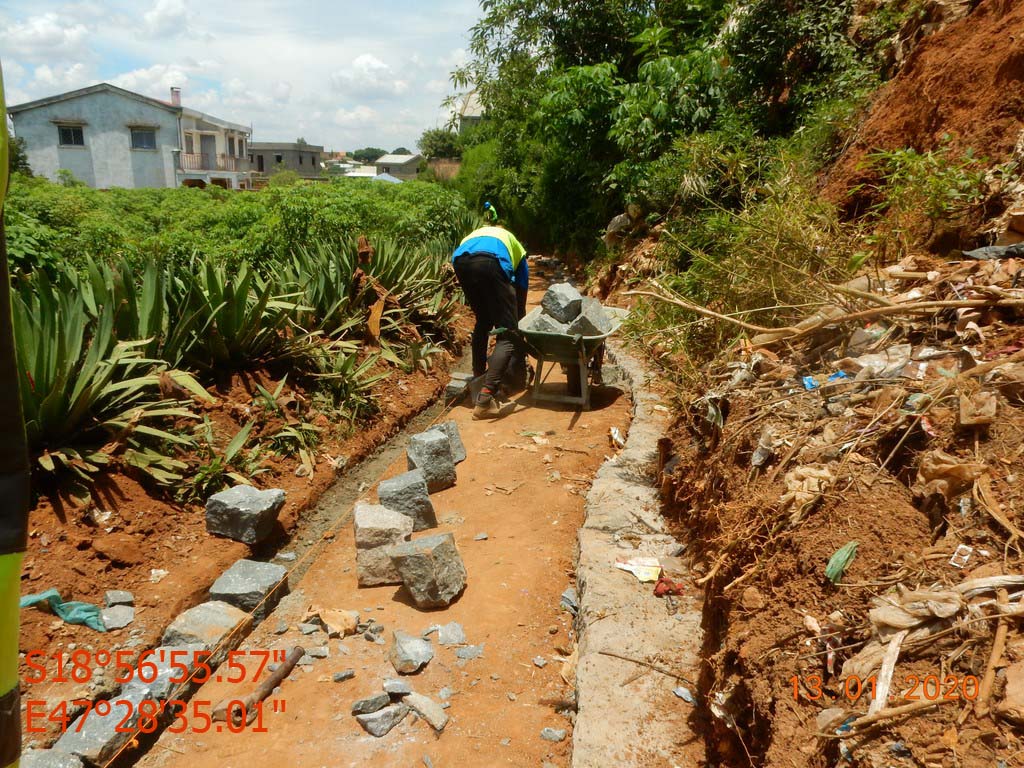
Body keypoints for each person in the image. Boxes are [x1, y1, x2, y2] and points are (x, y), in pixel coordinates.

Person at [451, 202, 529, 419]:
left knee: (483, 321)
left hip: (460, 260)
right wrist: (517, 327)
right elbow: (520, 291)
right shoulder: (518, 249)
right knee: (507, 333)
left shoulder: (480, 233)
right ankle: (485, 398)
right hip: (490, 261)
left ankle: (478, 378)